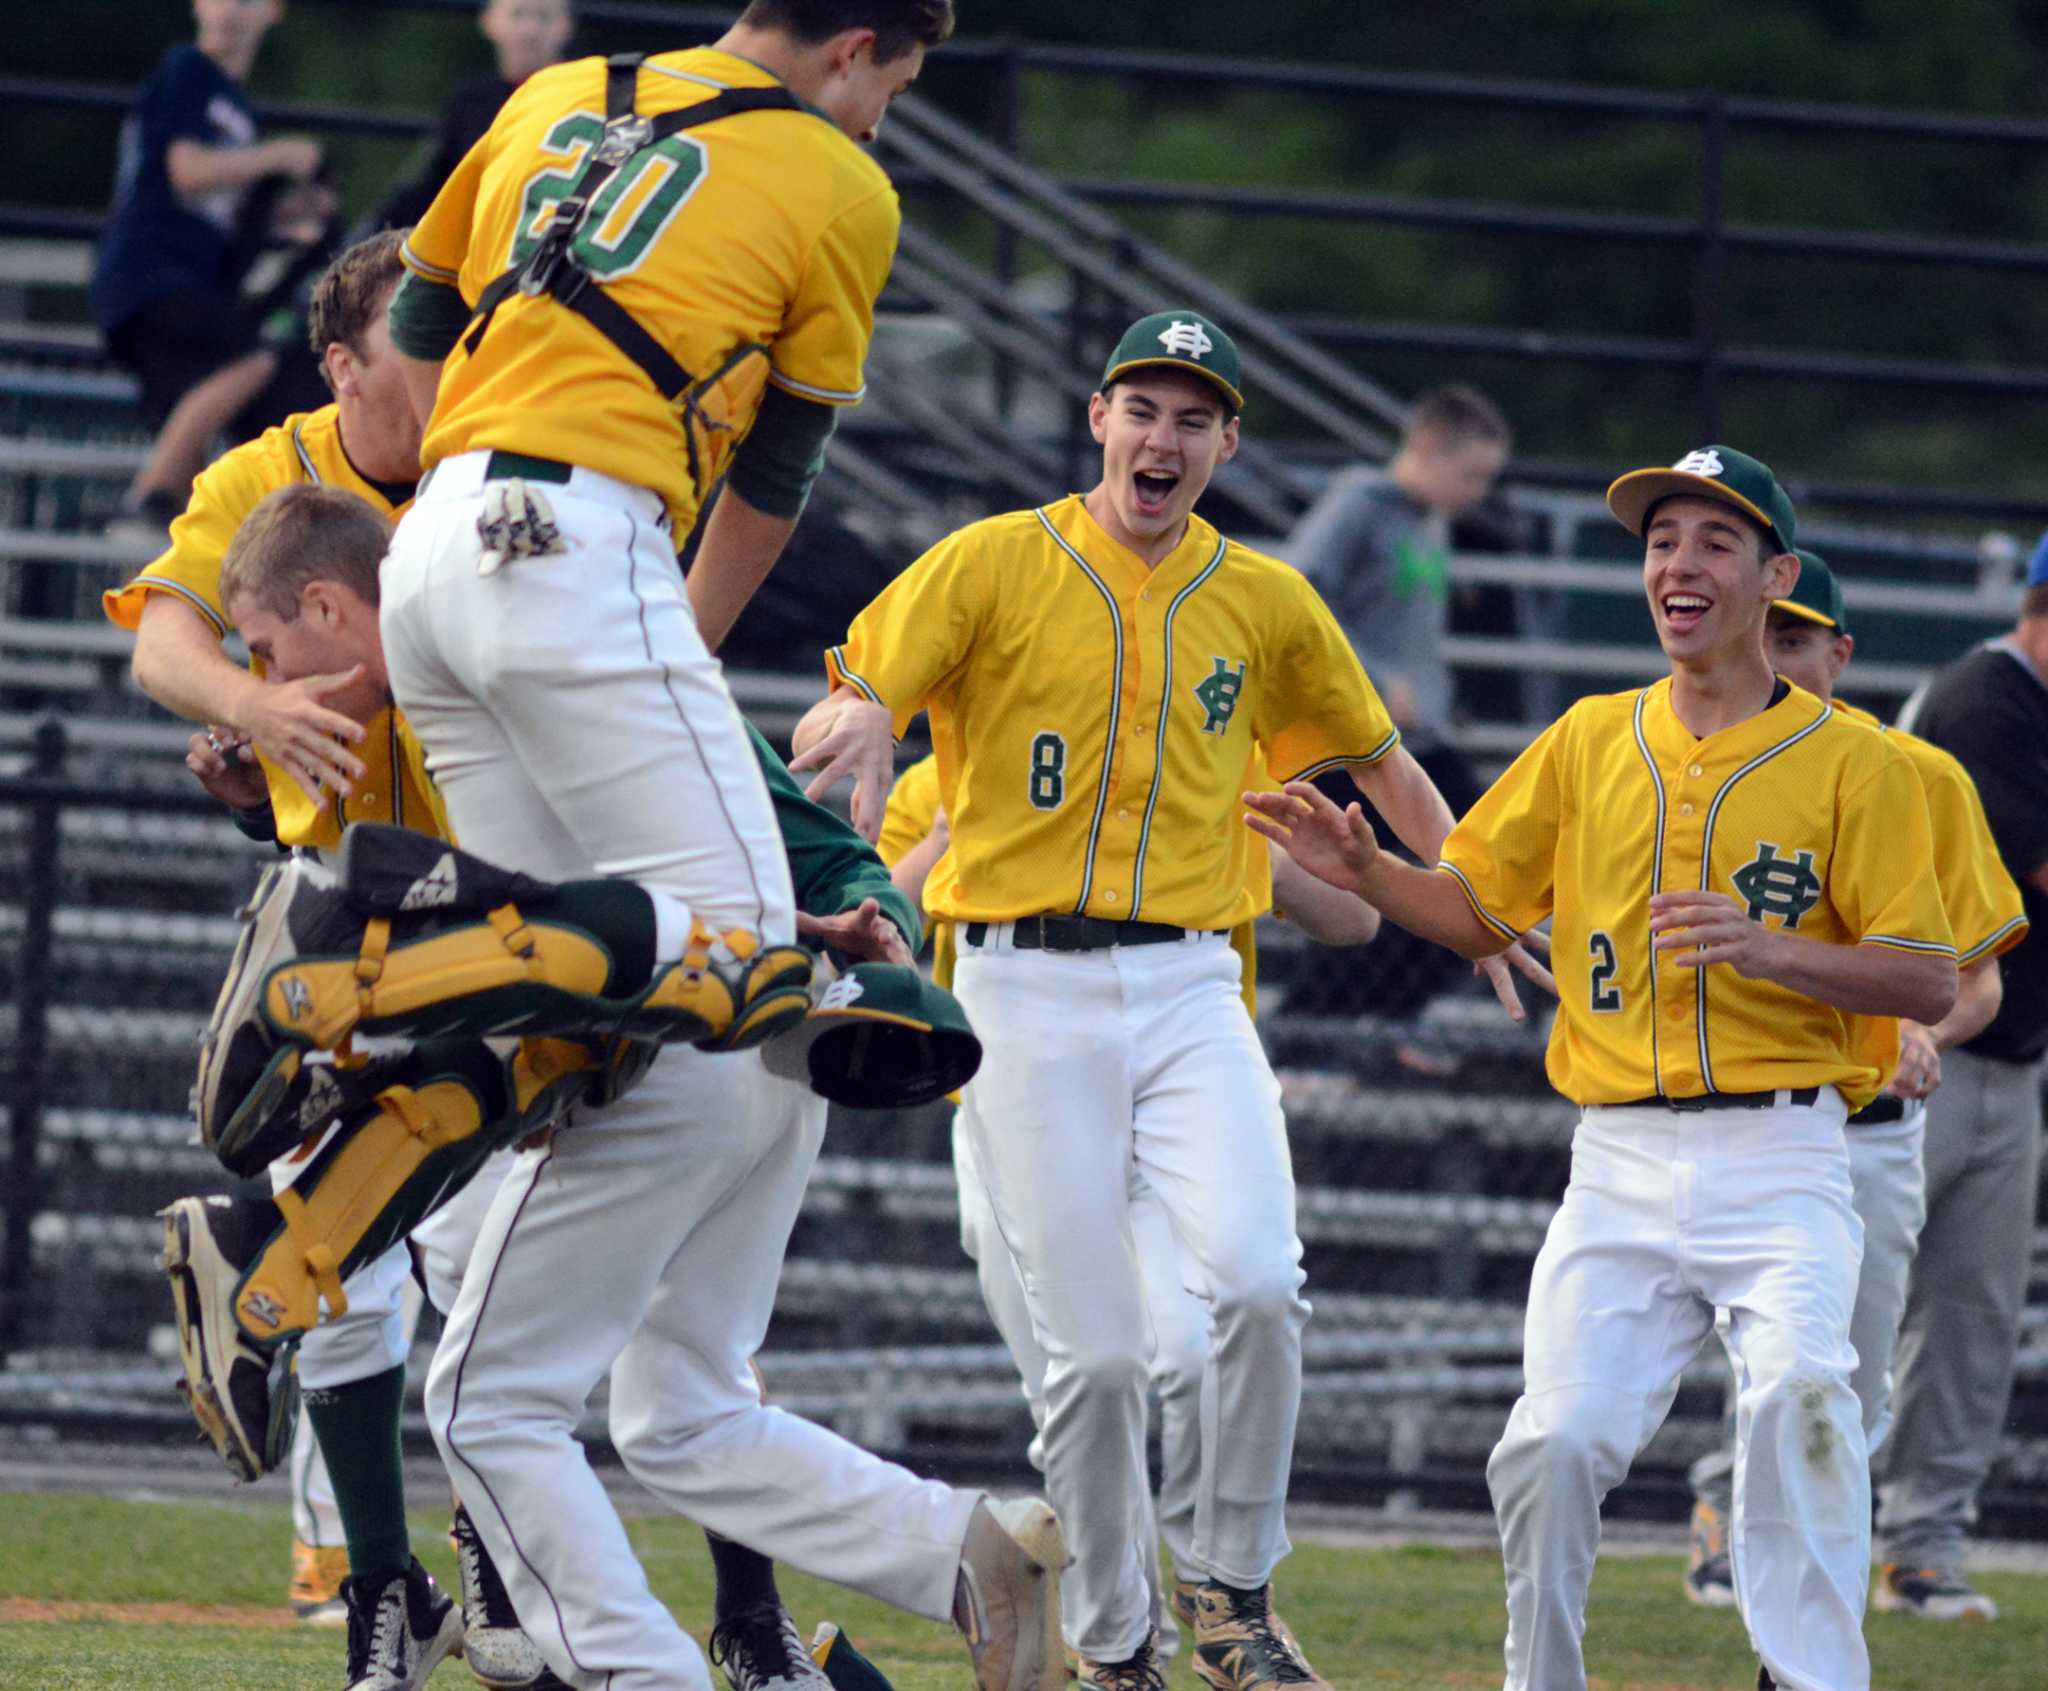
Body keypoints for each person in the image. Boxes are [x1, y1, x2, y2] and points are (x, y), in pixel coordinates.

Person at [168, 481, 1061, 1691]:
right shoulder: (563, 639)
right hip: (767, 1051)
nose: (266, 678)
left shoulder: (473, 653)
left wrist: (864, 914)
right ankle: (964, 1551)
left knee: (487, 1403)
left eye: (271, 650)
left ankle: (650, 1674)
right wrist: (860, 920)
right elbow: (764, 831)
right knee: (683, 1409)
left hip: (672, 1055)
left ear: (335, 601)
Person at [795, 309, 1547, 1691]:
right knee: (1094, 1364)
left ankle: (1234, 1587)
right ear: (1099, 418)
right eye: (1145, 406)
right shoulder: (996, 560)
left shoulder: (1263, 596)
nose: (1167, 435)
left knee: (1261, 1283)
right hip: (1020, 982)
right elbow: (862, 688)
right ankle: (1119, 1641)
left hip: (1194, 976)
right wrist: (860, 718)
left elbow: (1383, 768)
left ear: (1227, 441)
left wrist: (1471, 897)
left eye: (1195, 415)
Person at [1247, 445, 1960, 1691]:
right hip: (1618, 1156)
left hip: (1784, 1153)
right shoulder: (1586, 738)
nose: (1675, 564)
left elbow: (1924, 980)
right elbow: (1471, 910)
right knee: (1550, 1445)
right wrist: (1365, 874)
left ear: (1774, 577)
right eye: (1657, 541)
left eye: (1711, 542)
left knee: (1800, 1401)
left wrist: (1768, 948)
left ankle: (1808, 1678)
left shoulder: (1859, 762)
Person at [104, 229, 444, 1639]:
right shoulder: (271, 472)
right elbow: (158, 638)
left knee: (506, 1316)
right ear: (342, 362)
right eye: (417, 338)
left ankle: (509, 1589)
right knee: (342, 1270)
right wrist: (248, 718)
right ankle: (373, 1585)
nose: (447, 361)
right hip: (347, 930)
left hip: (517, 902)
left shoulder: (510, 454)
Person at [878, 756, 1380, 1681]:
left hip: (1170, 1113)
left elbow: (1356, 918)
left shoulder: (1199, 761)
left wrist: (1281, 852)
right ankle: (1120, 1638)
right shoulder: (942, 777)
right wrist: (958, 836)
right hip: (1019, 1121)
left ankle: (1213, 1598)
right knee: (1079, 1382)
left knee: (1195, 1351)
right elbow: (873, 933)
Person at [1679, 550, 2025, 1611]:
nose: (1772, 655)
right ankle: (1729, 1515)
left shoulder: (1895, 770)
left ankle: (1875, 1554)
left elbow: (1973, 974)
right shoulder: (1704, 765)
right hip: (1757, 1115)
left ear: (1839, 653)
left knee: (1881, 1353)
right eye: (1763, 633)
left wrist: (1926, 1025)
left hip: (1893, 1104)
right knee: (1786, 1348)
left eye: (1794, 639)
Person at [1874, 535, 2048, 1620]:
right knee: (1848, 1306)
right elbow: (2026, 871)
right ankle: (1730, 1501)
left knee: (1972, 1320)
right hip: (1909, 1051)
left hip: (2009, 1061)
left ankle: (1922, 1548)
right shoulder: (1985, 698)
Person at [1281, 386, 1511, 1027]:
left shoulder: (1431, 519)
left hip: (1420, 741)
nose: (1477, 493)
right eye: (1471, 474)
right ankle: (1313, 1028)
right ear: (1427, 450)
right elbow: (1297, 594)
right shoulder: (1360, 502)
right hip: (1356, 743)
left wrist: (1437, 698)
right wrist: (1377, 680)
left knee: (1478, 879)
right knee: (1377, 890)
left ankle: (1376, 1022)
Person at [93, 0, 333, 531]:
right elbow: (189, 172)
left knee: (202, 398)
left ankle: (169, 516)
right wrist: (279, 157)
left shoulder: (234, 106)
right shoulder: (189, 70)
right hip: (152, 272)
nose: (230, 10)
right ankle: (151, 494)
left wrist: (296, 211)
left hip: (176, 277)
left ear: (272, 12)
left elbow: (223, 205)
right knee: (249, 364)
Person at [368, 0, 576, 234]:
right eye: (518, 15)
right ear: (490, 21)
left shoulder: (583, 97)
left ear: (566, 25)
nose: (530, 31)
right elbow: (429, 185)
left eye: (544, 17)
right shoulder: (470, 102)